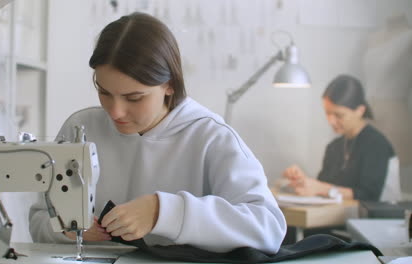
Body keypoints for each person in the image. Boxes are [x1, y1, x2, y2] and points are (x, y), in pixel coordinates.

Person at [29, 12, 286, 253]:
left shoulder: (211, 136)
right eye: (104, 92)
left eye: (134, 98)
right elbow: (40, 219)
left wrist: (164, 212)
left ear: (170, 85)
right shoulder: (80, 128)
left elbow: (269, 228)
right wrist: (65, 232)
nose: (115, 112)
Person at [283, 74, 395, 202]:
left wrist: (321, 189)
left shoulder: (376, 144)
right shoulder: (334, 147)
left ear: (360, 110)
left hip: (367, 220)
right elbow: (323, 185)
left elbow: (369, 195)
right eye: (328, 113)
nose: (331, 121)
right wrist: (303, 182)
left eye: (339, 115)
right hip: (334, 217)